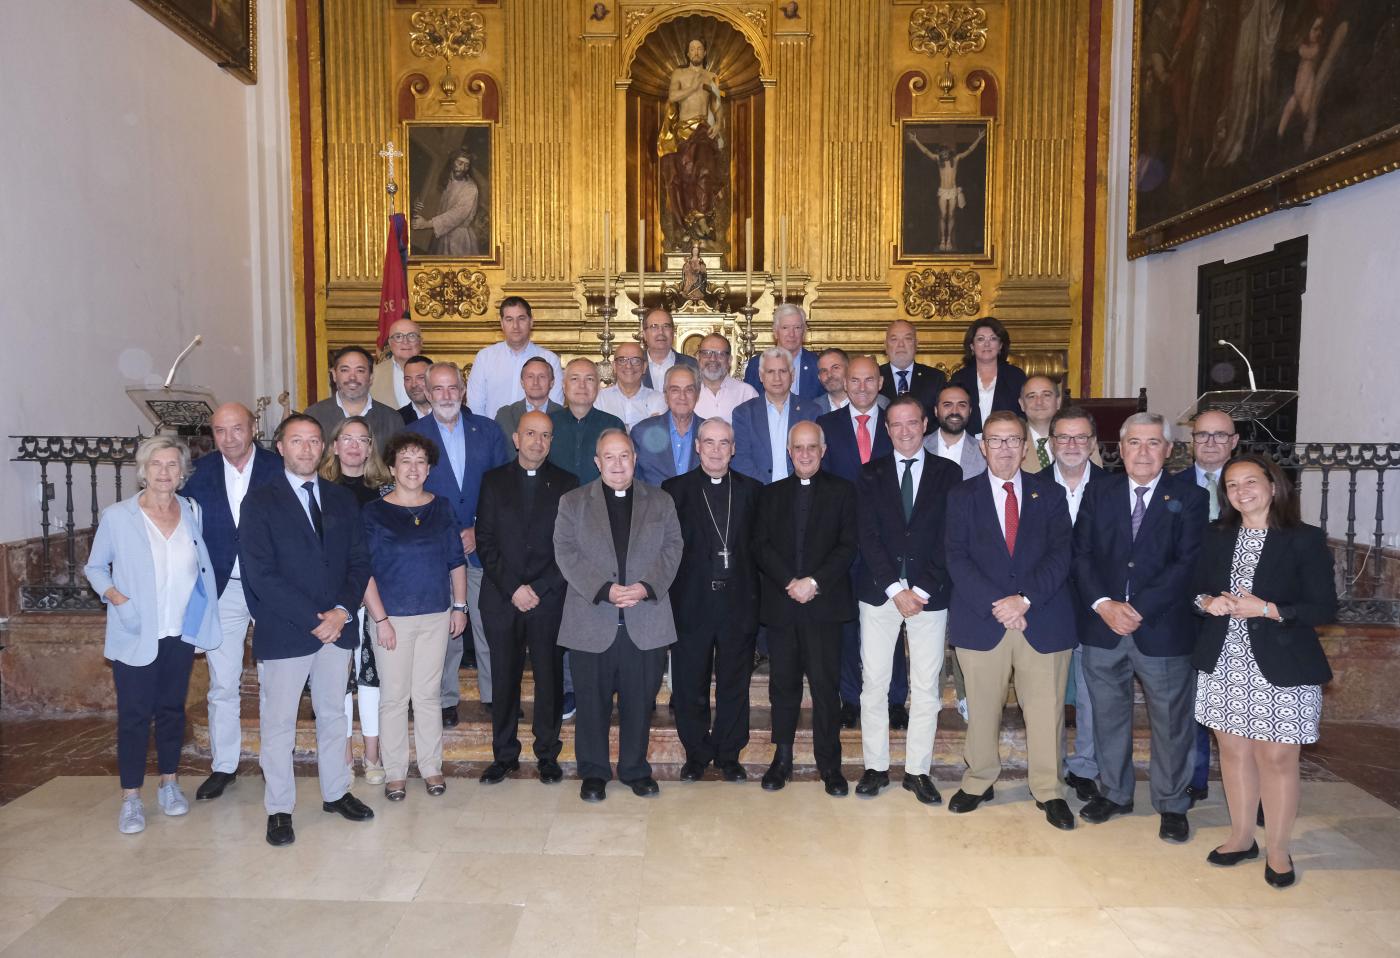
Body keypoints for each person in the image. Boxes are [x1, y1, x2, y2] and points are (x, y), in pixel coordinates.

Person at [1192, 455, 1336, 889]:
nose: (1241, 491)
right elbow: (1196, 588)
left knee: (1276, 757)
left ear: (1273, 486)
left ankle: (1277, 847)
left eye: (1250, 482)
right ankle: (1241, 837)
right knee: (1233, 753)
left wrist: (1269, 609)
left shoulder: (1304, 539)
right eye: (1232, 486)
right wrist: (1206, 603)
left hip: (1284, 662)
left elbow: (1323, 607)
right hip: (1226, 659)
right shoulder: (1217, 535)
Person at [239, 414, 374, 847]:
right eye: (297, 441)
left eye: (314, 441)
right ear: (280, 446)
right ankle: (279, 808)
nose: (306, 449)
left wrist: (341, 611)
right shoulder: (260, 501)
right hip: (287, 630)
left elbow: (359, 561)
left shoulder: (341, 499)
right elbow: (260, 573)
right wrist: (315, 619)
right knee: (279, 723)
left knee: (335, 714)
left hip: (337, 628)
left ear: (325, 448)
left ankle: (336, 792)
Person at [1073, 412, 1207, 843]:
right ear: (1120, 448)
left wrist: (1137, 609)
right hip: (1103, 627)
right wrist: (1104, 604)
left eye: (1153, 443)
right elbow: (1081, 554)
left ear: (1168, 450)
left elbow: (1188, 564)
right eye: (1134, 442)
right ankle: (1115, 792)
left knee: (1171, 721)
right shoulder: (1099, 492)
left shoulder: (1190, 498)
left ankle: (1171, 802)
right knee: (1108, 716)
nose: (1143, 452)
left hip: (1163, 629)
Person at [945, 412, 1078, 830]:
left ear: (1026, 448)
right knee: (982, 708)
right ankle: (979, 779)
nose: (1004, 448)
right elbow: (956, 556)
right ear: (982, 447)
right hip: (982, 619)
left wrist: (1024, 600)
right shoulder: (961, 496)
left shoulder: (1050, 495)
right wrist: (997, 603)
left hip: (1042, 617)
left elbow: (1062, 556)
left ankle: (1049, 789)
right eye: (995, 441)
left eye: (1012, 441)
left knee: (1046, 710)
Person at [84, 436, 222, 834]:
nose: (164, 473)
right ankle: (130, 798)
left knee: (171, 711)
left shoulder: (192, 510)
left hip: (179, 629)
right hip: (136, 630)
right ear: (143, 471)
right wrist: (116, 596)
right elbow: (95, 567)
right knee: (134, 716)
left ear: (182, 474)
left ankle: (169, 784)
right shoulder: (118, 517)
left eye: (172, 465)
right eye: (156, 465)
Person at [554, 430, 683, 802]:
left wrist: (645, 586)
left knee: (639, 702)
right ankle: (593, 773)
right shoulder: (573, 502)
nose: (617, 464)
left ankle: (634, 769)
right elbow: (565, 551)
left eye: (623, 456)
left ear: (635, 458)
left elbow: (674, 548)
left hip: (645, 618)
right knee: (591, 703)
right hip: (591, 617)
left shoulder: (660, 501)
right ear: (597, 462)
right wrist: (604, 590)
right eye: (608, 457)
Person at [853, 396, 961, 804]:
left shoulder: (949, 474)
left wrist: (920, 590)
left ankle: (918, 770)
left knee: (926, 686)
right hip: (880, 595)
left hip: (929, 595)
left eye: (912, 423)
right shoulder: (869, 474)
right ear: (886, 429)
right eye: (896, 424)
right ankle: (875, 766)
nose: (904, 431)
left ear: (925, 424)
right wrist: (895, 589)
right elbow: (867, 535)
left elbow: (951, 537)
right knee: (875, 683)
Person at [180, 402, 282, 802]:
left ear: (253, 428)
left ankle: (277, 761)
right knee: (223, 683)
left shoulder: (279, 467)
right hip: (223, 589)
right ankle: (224, 766)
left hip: (272, 589)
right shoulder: (200, 473)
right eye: (220, 431)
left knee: (277, 681)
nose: (229, 438)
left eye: (236, 428)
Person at [752, 421, 857, 797]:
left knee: (827, 689)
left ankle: (829, 763)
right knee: (783, 687)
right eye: (799, 447)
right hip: (783, 607)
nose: (806, 453)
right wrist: (789, 583)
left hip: (824, 606)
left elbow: (847, 546)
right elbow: (760, 545)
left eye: (813, 447)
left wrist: (813, 583)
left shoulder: (844, 493)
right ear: (789, 452)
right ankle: (782, 759)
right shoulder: (771, 494)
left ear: (823, 451)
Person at [404, 362, 511, 727]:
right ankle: (445, 697)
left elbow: (503, 487)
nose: (446, 395)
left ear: (463, 392)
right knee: (443, 629)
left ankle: (496, 694)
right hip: (435, 552)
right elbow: (409, 492)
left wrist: (478, 530)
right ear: (427, 394)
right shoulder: (413, 436)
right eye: (439, 389)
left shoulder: (489, 431)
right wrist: (449, 535)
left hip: (483, 548)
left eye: (453, 388)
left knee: (488, 623)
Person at [361, 432, 468, 800]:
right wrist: (380, 620)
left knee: (426, 695)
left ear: (429, 468)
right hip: (392, 619)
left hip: (436, 614)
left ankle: (431, 767)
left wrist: (459, 606)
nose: (413, 468)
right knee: (393, 697)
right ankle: (394, 772)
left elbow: (456, 560)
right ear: (391, 467)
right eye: (405, 460)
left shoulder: (441, 508)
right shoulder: (374, 512)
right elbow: (364, 570)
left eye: (420, 461)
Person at [476, 411, 580, 785]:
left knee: (549, 678)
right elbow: (484, 541)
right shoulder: (493, 481)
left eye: (546, 435)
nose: (538, 441)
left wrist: (540, 588)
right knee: (504, 678)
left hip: (548, 598)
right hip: (502, 597)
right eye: (531, 434)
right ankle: (504, 755)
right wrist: (514, 588)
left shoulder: (568, 483)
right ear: (517, 439)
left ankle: (547, 755)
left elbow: (569, 546)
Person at [662, 418, 761, 783]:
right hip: (691, 602)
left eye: (724, 443)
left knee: (735, 684)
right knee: (690, 684)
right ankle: (697, 753)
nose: (717, 450)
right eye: (709, 442)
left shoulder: (753, 490)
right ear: (698, 447)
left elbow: (759, 549)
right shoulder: (674, 490)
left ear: (733, 449)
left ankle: (730, 754)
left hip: (739, 602)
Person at [816, 356, 904, 731]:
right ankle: (850, 698)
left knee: (894, 621)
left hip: (887, 543)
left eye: (870, 380)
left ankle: (895, 699)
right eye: (855, 380)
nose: (863, 387)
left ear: (880, 382)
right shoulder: (827, 425)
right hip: (843, 542)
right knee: (846, 624)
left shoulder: (896, 425)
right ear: (844, 384)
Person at [318, 416, 390, 785]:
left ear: (370, 448)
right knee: (339, 683)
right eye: (347, 438)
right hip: (336, 599)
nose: (354, 446)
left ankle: (373, 757)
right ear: (333, 445)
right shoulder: (319, 490)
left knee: (371, 680)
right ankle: (344, 756)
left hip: (379, 596)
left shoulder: (385, 490)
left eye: (363, 439)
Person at [1046, 406, 1107, 802]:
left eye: (1080, 437)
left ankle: (1085, 766)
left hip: (1093, 606)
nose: (1071, 445)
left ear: (1092, 443)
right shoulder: (1030, 486)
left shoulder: (1112, 488)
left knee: (1089, 693)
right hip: (1046, 603)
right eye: (1063, 437)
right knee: (1045, 695)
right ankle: (1048, 766)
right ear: (1050, 444)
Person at [1180, 408, 1240, 805]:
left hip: (1242, 609)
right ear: (1191, 442)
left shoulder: (1252, 485)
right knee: (1191, 701)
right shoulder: (1173, 486)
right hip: (1188, 605)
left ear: (1234, 441)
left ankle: (1252, 792)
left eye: (1220, 436)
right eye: (1203, 435)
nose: (1211, 443)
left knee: (1239, 702)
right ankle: (1194, 779)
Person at [658, 38, 725, 240]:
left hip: (703, 130)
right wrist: (694, 86)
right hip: (684, 131)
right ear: (687, 54)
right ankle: (689, 222)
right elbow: (673, 97)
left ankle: (702, 216)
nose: (696, 52)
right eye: (692, 49)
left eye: (699, 49)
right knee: (687, 175)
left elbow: (717, 105)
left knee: (705, 169)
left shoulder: (712, 76)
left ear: (705, 53)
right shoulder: (680, 74)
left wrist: (719, 124)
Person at [466, 296, 565, 420]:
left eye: (521, 319)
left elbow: (554, 408)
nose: (515, 326)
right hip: (493, 436)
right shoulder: (485, 357)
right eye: (509, 319)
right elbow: (476, 407)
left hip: (536, 437)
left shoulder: (550, 360)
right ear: (502, 324)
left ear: (531, 321)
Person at [732, 347, 819, 484]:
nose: (777, 378)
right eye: (770, 371)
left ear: (793, 374)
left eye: (783, 371)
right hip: (758, 494)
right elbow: (740, 459)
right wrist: (769, 491)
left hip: (801, 491)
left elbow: (817, 456)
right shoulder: (743, 413)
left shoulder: (812, 411)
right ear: (761, 376)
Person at [304, 345, 403, 455]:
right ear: (334, 375)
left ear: (371, 377)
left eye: (360, 370)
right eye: (345, 370)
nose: (352, 377)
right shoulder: (313, 416)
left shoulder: (392, 420)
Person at [906, 128, 986, 251]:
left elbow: (969, 151)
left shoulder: (956, 159)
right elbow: (926, 151)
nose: (943, 155)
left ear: (949, 153)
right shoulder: (938, 160)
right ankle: (943, 240)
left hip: (953, 191)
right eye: (941, 153)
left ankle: (949, 240)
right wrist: (916, 140)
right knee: (943, 215)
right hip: (943, 191)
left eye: (945, 153)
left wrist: (979, 138)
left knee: (951, 215)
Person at [948, 317, 1028, 436]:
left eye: (993, 339)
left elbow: (1024, 415)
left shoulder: (1016, 376)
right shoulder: (960, 378)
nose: (987, 344)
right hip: (968, 446)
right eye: (980, 339)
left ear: (1000, 345)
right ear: (972, 346)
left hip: (1006, 443)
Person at [549, 358, 625, 484]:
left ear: (598, 386)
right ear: (563, 386)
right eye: (574, 379)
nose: (582, 385)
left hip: (600, 500)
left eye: (589, 379)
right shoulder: (549, 423)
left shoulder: (613, 425)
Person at [632, 364, 701, 485]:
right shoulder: (642, 432)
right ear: (665, 395)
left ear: (697, 395)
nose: (682, 396)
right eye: (675, 390)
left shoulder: (710, 433)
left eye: (689, 390)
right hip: (655, 503)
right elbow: (634, 481)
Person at [742, 303, 823, 401]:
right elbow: (749, 404)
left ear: (804, 332)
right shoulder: (756, 364)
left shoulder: (817, 364)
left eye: (797, 327)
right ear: (775, 332)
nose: (791, 334)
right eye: (785, 328)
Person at [412, 148, 483, 256]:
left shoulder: (470, 188)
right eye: (460, 163)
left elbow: (456, 215)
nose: (463, 168)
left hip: (457, 239)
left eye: (466, 165)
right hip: (442, 234)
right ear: (452, 162)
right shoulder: (449, 180)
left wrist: (427, 224)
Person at [879, 320, 946, 421]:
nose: (901, 345)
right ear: (886, 345)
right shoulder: (874, 377)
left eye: (907, 339)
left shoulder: (935, 378)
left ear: (916, 344)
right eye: (894, 339)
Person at [596, 341, 667, 429]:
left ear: (644, 367)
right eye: (622, 360)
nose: (629, 366)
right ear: (614, 366)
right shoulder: (599, 399)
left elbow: (654, 436)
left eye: (636, 360)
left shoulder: (658, 399)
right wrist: (645, 426)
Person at [924, 384, 987, 479]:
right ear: (936, 410)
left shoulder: (984, 452)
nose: (954, 411)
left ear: (970, 411)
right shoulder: (920, 447)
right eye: (947, 405)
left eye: (962, 405)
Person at [692, 333, 757, 422]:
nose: (713, 359)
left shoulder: (747, 394)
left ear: (729, 360)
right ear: (698, 358)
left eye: (720, 354)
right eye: (706, 353)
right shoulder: (686, 393)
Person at [496, 356, 564, 441]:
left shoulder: (564, 416)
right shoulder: (505, 416)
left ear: (552, 383)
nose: (536, 382)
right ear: (522, 382)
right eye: (530, 376)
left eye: (542, 376)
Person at [639, 307, 700, 390]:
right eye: (654, 327)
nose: (661, 332)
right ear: (644, 334)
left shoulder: (692, 364)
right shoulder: (634, 364)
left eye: (666, 326)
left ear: (673, 332)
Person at [372, 318, 424, 409]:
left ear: (421, 342)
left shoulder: (435, 373)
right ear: (390, 343)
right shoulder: (373, 374)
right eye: (398, 337)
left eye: (411, 336)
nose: (405, 342)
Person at [1019, 375, 1062, 473]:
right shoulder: (1011, 442)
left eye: (1046, 395)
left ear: (1058, 402)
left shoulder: (1080, 440)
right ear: (1022, 404)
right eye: (1031, 396)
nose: (1039, 402)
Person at [398, 354, 435, 424]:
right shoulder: (396, 419)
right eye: (408, 379)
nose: (413, 385)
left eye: (420, 378)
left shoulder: (454, 412)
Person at [813, 347, 851, 414]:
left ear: (849, 369)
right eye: (824, 371)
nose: (829, 375)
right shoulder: (812, 409)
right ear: (819, 377)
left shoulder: (870, 402)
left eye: (835, 368)